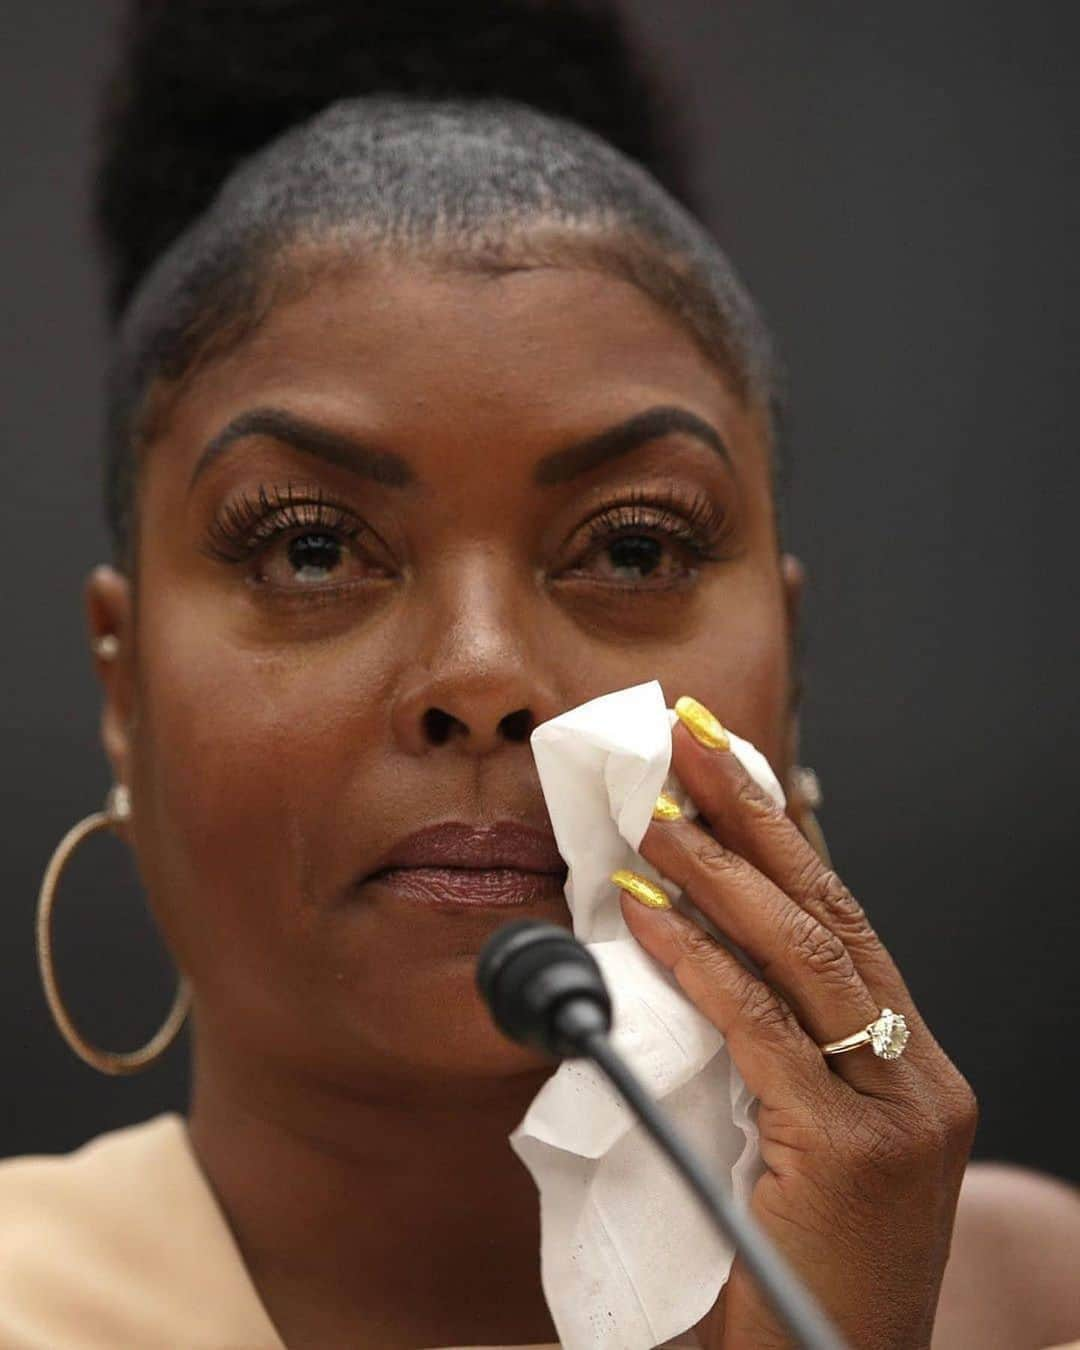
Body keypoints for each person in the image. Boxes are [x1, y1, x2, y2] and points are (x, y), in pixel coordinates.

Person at [3, 2, 1078, 1347]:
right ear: (122, 684)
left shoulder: (1044, 1303)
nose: (486, 674)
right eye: (313, 545)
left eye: (632, 550)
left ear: (789, 667)